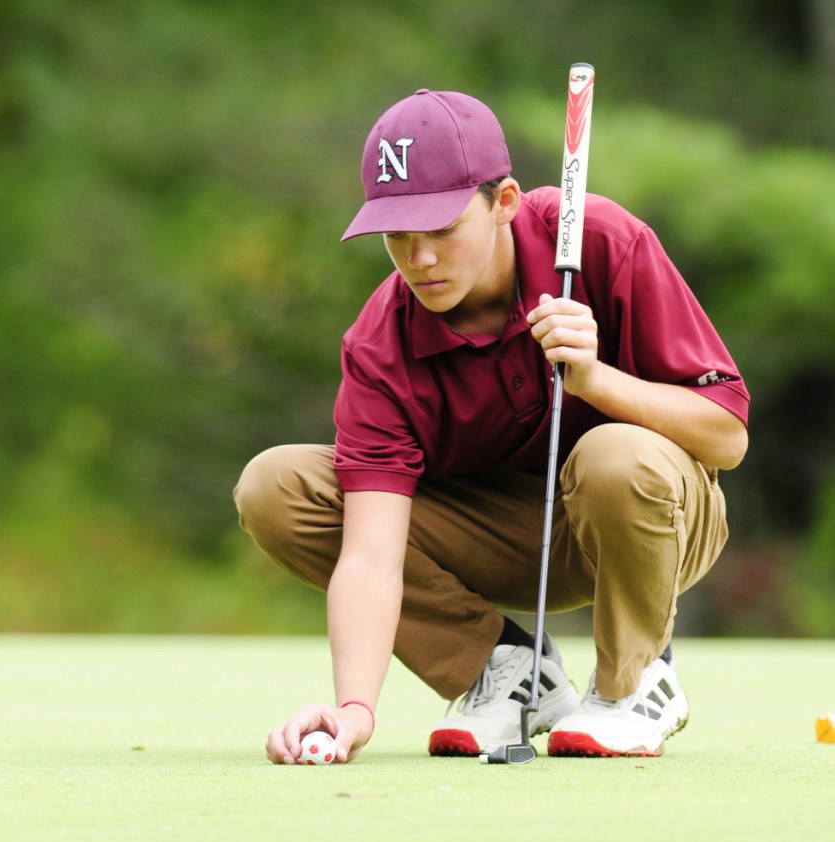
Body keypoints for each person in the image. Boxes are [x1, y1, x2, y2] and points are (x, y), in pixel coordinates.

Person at [234, 88, 749, 764]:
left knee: (614, 453)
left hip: (653, 517)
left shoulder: (599, 241)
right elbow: (369, 555)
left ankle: (632, 685)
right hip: (498, 541)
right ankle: (505, 671)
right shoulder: (380, 341)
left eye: (441, 229)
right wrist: (355, 708)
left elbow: (726, 437)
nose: (418, 260)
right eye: (397, 235)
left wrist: (597, 382)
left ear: (503, 203)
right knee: (275, 487)